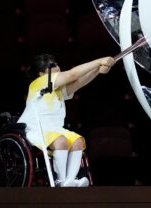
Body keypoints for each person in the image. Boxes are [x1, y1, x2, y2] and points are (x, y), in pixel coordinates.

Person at [17, 53, 116, 187]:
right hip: (36, 129)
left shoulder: (56, 89)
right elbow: (73, 75)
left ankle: (70, 179)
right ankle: (60, 180)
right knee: (62, 141)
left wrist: (97, 69)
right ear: (41, 74)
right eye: (51, 67)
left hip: (55, 130)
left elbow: (79, 82)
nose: (57, 68)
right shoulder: (38, 83)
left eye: (56, 65)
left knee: (77, 141)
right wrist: (100, 60)